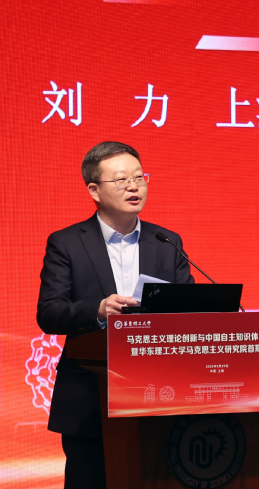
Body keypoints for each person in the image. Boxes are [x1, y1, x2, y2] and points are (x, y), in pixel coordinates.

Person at [37, 141, 193, 489]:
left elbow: (189, 308)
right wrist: (98, 310)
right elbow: (49, 312)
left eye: (139, 177)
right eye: (121, 180)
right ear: (94, 190)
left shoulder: (166, 241)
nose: (134, 186)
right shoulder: (66, 243)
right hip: (90, 399)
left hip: (160, 396)